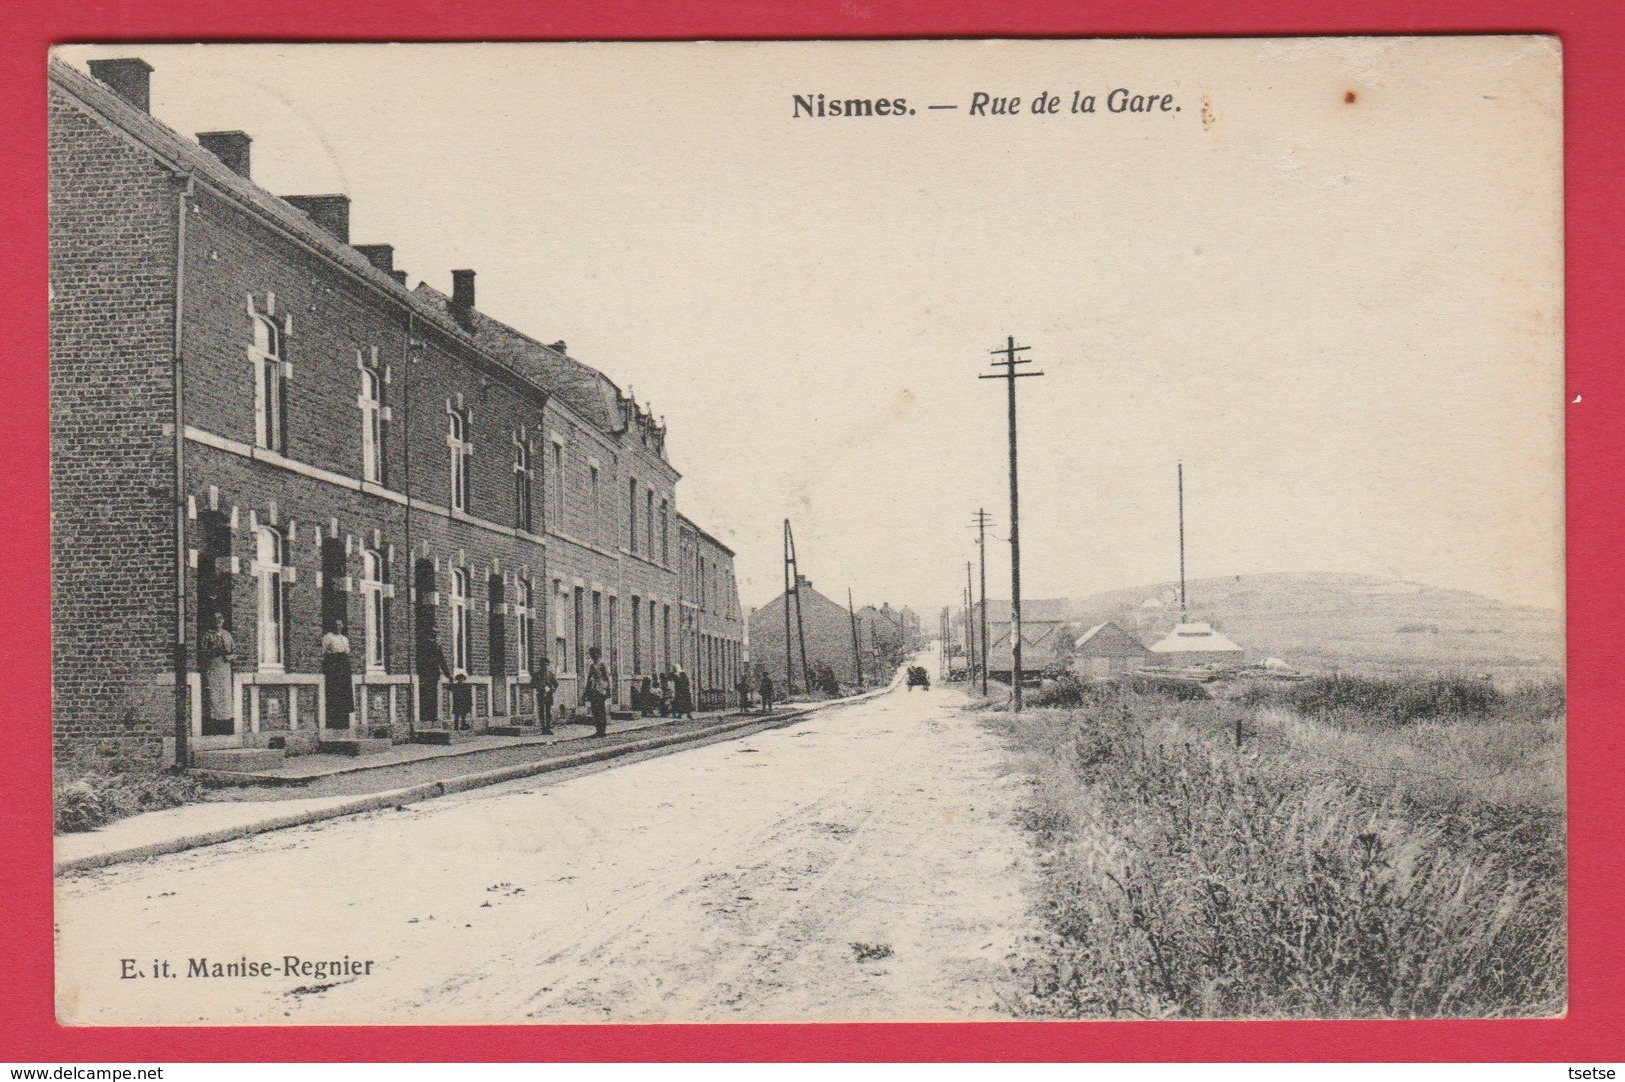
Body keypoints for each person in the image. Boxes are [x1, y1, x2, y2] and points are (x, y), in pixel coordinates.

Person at [200, 612, 235, 735]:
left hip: (224, 667)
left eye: (220, 618)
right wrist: (214, 651)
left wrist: (228, 656)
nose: (218, 621)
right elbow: (203, 652)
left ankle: (226, 724)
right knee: (213, 694)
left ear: (223, 620)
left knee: (225, 695)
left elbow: (233, 652)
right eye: (215, 619)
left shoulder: (227, 635)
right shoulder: (207, 635)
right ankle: (213, 723)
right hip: (213, 667)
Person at [322, 618, 355, 730]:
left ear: (342, 626)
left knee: (345, 691)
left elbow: (348, 651)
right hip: (334, 665)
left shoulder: (344, 638)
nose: (338, 627)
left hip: (344, 665)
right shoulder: (328, 637)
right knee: (335, 691)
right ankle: (334, 721)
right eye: (336, 625)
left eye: (340, 625)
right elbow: (324, 651)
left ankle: (344, 721)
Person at [415, 634, 451, 726]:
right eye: (431, 637)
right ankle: (428, 715)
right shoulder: (422, 647)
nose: (432, 639)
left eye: (433, 638)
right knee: (427, 694)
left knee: (430, 694)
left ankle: (430, 714)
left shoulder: (435, 647)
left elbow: (442, 661)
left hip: (431, 675)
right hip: (426, 675)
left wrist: (448, 675)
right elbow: (441, 661)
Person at [584, 646, 612, 737]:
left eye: (593, 654)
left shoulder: (602, 665)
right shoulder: (592, 665)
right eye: (591, 654)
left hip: (601, 690)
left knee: (601, 710)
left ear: (597, 654)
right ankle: (598, 730)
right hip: (594, 690)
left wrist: (608, 690)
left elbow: (607, 678)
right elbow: (589, 679)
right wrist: (587, 691)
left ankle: (602, 731)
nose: (592, 656)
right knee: (595, 710)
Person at [536, 656, 558, 735]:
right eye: (543, 665)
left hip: (549, 695)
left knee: (548, 712)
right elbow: (532, 684)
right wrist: (539, 687)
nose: (545, 667)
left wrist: (551, 689)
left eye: (546, 665)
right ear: (540, 665)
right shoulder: (537, 675)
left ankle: (548, 728)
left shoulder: (551, 674)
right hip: (541, 695)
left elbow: (556, 684)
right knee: (541, 711)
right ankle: (543, 728)